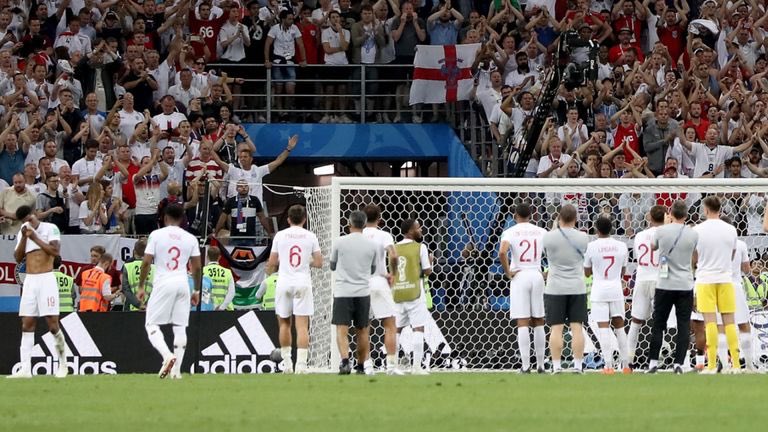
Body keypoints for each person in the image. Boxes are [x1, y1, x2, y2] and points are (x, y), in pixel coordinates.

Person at [138, 204, 202, 379]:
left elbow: (146, 262)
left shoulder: (156, 235)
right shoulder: (190, 238)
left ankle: (167, 356)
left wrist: (141, 286)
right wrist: (196, 289)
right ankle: (176, 372)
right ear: (182, 219)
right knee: (180, 326)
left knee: (151, 324)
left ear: (165, 218)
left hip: (163, 282)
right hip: (182, 282)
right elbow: (196, 267)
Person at [7, 205, 66, 379]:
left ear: (35, 215)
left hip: (46, 278)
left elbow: (55, 252)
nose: (28, 223)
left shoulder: (50, 229)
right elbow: (18, 258)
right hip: (30, 281)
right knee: (27, 323)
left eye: (29, 219)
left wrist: (34, 236)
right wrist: (25, 238)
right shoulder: (22, 232)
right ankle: (25, 369)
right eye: (25, 221)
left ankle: (63, 364)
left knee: (52, 324)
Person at [266, 204, 323, 374]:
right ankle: (302, 366)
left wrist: (268, 272)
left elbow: (272, 262)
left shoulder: (280, 236)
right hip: (302, 282)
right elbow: (319, 262)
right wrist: (307, 261)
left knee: (284, 323)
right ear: (305, 219)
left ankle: (287, 364)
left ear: (289, 219)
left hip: (284, 282)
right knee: (302, 326)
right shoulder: (310, 236)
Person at [646, 200, 698, 374]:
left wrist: (666, 226)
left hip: (665, 283)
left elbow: (653, 247)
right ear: (686, 214)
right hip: (685, 283)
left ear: (671, 212)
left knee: (659, 323)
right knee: (683, 324)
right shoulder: (693, 233)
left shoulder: (661, 231)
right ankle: (678, 364)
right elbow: (695, 257)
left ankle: (653, 362)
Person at [498, 201, 547, 373]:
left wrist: (507, 272)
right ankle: (541, 365)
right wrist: (547, 272)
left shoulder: (510, 231)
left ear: (514, 216)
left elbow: (502, 252)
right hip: (536, 273)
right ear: (532, 215)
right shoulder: (541, 231)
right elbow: (554, 252)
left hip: (520, 275)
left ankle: (526, 366)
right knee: (539, 320)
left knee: (522, 321)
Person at [692, 196, 740, 374]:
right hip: (725, 278)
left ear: (705, 210)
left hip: (705, 279)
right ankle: (735, 365)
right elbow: (732, 255)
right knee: (729, 321)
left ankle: (711, 365)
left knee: (710, 323)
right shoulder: (731, 230)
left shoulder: (697, 230)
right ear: (720, 209)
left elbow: (695, 257)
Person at [542, 204, 589, 374]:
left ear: (559, 217)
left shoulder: (548, 237)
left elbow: (546, 253)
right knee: (577, 327)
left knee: (556, 328)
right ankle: (577, 366)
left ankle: (556, 366)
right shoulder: (583, 237)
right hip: (577, 286)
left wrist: (556, 227)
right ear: (576, 218)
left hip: (555, 287)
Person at [330, 210, 378, 375]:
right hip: (363, 292)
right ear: (364, 225)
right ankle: (360, 365)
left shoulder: (339, 242)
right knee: (363, 330)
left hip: (343, 291)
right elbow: (373, 269)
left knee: (341, 330)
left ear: (349, 224)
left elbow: (332, 265)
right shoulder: (372, 244)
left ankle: (344, 362)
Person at [584, 216, 630, 374]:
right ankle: (626, 366)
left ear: (596, 229)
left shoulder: (591, 246)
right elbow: (624, 271)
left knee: (603, 328)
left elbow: (587, 271)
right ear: (611, 229)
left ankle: (608, 366)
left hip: (599, 292)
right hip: (616, 290)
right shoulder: (622, 246)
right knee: (620, 328)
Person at [362, 204, 402, 375]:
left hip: (360, 284)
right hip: (379, 281)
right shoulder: (384, 235)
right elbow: (393, 255)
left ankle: (367, 366)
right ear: (380, 218)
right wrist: (392, 273)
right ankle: (391, 367)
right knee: (390, 325)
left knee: (363, 327)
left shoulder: (356, 235)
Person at [627, 205, 665, 368]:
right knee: (659, 322)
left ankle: (628, 361)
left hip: (642, 278)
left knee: (636, 321)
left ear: (649, 217)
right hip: (658, 279)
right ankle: (656, 360)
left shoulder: (639, 236)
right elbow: (664, 259)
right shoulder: (665, 235)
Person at [393, 218, 433, 375]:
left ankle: (393, 366)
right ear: (410, 231)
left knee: (396, 330)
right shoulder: (420, 247)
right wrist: (430, 262)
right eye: (418, 227)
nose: (421, 229)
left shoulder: (394, 248)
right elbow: (427, 271)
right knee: (418, 328)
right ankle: (416, 367)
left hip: (398, 292)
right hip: (415, 293)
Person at [122, 239, 153, 311]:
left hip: (130, 307)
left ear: (134, 252)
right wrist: (146, 305)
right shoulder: (155, 268)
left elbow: (125, 289)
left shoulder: (127, 266)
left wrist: (138, 304)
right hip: (149, 308)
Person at [203, 247, 236, 311]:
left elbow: (203, 293)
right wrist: (222, 307)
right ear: (219, 257)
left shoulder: (203, 271)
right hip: (226, 309)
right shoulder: (227, 272)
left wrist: (214, 307)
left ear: (207, 257)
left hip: (208, 309)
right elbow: (232, 292)